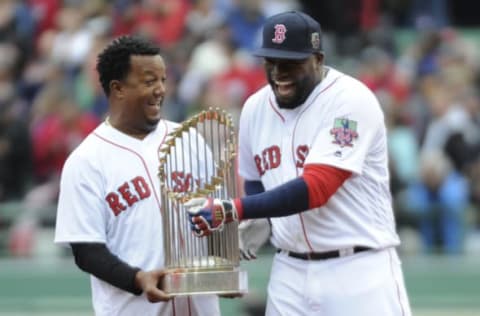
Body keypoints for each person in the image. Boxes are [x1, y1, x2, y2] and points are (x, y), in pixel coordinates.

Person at [186, 11, 412, 316]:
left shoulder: (350, 100)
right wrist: (259, 219)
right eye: (271, 61)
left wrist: (233, 209)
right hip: (289, 272)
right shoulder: (255, 107)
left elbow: (317, 188)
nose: (280, 72)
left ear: (318, 59)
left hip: (358, 269)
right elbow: (254, 179)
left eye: (291, 63)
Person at [54, 35, 220, 316]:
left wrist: (223, 266)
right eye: (149, 81)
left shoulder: (189, 139)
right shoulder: (85, 160)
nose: (160, 90)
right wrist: (137, 279)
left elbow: (216, 219)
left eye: (163, 80)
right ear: (117, 88)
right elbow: (86, 252)